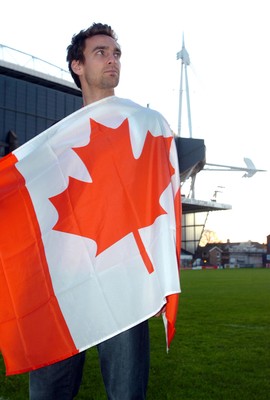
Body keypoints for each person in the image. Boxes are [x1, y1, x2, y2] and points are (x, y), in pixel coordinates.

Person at [29, 22, 180, 400]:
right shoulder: (56, 143)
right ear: (77, 66)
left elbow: (162, 199)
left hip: (123, 279)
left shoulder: (145, 126)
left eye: (116, 53)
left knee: (127, 392)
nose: (112, 59)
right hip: (66, 283)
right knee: (48, 389)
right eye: (101, 52)